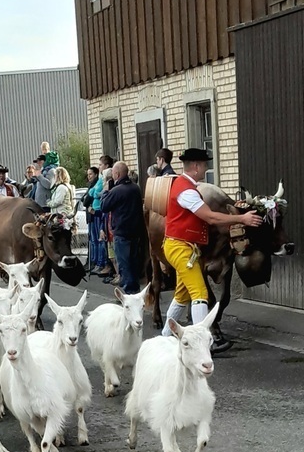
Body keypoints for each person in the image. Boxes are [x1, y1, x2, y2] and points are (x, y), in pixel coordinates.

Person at [161, 148, 263, 350]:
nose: (206, 168)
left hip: (183, 247)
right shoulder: (186, 190)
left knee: (182, 296)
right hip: (181, 248)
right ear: (196, 166)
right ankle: (202, 344)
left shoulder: (186, 186)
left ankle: (164, 339)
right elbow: (210, 217)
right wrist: (242, 218)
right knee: (199, 294)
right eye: (205, 164)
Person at [100, 161, 144, 294]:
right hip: (135, 232)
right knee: (134, 263)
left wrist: (106, 191)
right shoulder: (135, 188)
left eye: (113, 173)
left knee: (124, 265)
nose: (112, 176)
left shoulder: (116, 191)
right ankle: (135, 289)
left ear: (117, 174)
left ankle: (130, 292)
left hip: (121, 233)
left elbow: (104, 206)